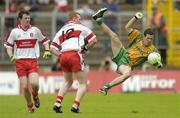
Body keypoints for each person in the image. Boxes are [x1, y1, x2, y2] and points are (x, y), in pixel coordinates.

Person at [92, 8, 162, 95]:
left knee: (127, 74)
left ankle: (106, 87)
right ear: (144, 36)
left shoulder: (153, 50)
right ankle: (98, 19)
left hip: (127, 64)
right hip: (123, 53)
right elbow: (127, 27)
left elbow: (156, 62)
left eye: (151, 39)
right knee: (114, 36)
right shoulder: (138, 36)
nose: (149, 40)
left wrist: (158, 64)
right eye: (148, 38)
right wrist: (135, 17)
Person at [4, 11, 51, 113]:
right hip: (20, 62)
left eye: (29, 18)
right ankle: (30, 106)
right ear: (19, 19)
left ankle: (35, 95)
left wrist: (47, 50)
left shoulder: (35, 30)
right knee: (25, 87)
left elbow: (45, 40)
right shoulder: (14, 32)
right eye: (25, 18)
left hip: (32, 61)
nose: (28, 20)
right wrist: (11, 55)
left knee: (34, 83)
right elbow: (8, 46)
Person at [50, 11, 97, 113]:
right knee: (83, 83)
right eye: (79, 19)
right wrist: (85, 49)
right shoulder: (80, 27)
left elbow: (52, 48)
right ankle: (75, 105)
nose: (80, 21)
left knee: (68, 81)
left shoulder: (61, 30)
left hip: (63, 56)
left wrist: (61, 55)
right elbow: (94, 40)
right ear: (75, 18)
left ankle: (57, 103)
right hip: (74, 54)